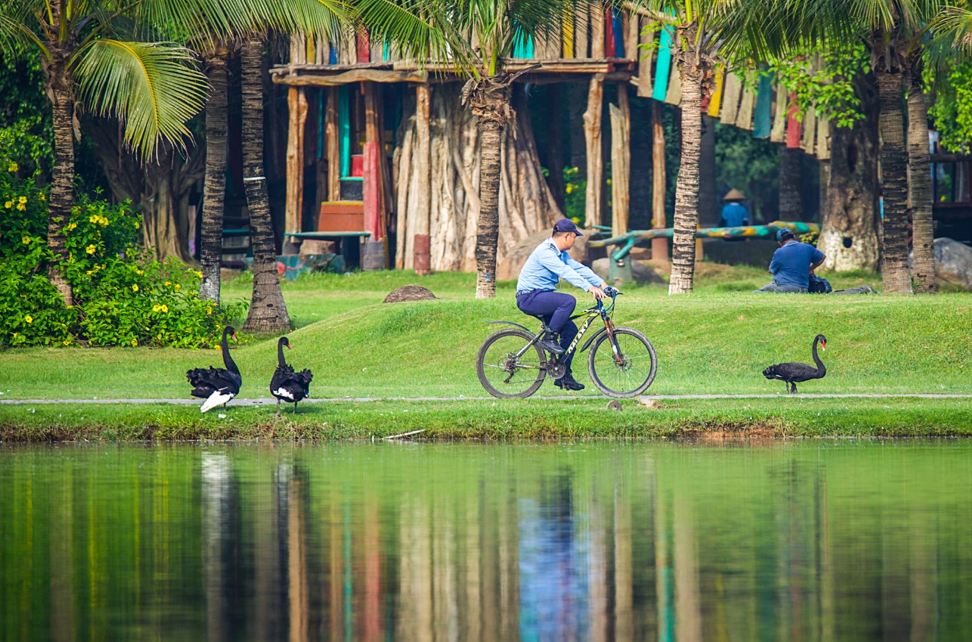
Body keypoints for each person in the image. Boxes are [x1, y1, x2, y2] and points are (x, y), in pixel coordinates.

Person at [516, 218, 609, 391]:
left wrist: (603, 284)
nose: (574, 240)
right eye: (574, 237)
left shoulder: (559, 253)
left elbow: (578, 268)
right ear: (567, 236)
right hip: (529, 297)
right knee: (568, 301)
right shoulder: (546, 252)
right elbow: (565, 272)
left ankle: (563, 375)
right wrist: (590, 288)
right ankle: (549, 338)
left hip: (541, 296)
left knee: (571, 331)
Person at [754, 228, 825, 293]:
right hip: (803, 288)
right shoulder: (808, 247)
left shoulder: (779, 252)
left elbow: (771, 270)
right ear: (794, 237)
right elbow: (822, 257)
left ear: (779, 242)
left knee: (757, 292)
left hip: (784, 287)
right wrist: (810, 269)